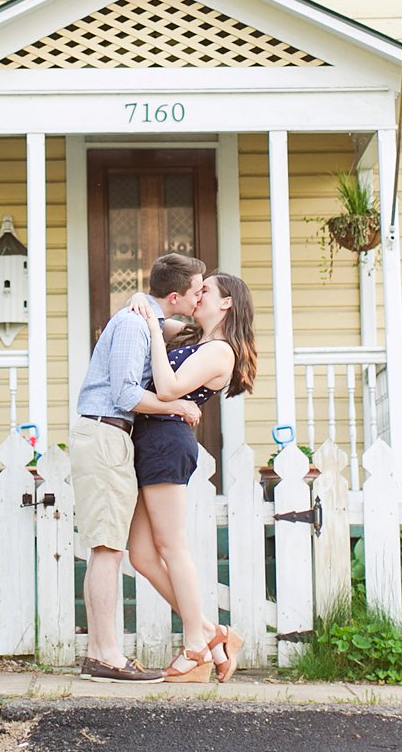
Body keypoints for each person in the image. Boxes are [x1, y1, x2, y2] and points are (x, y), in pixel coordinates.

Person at [70, 252, 208, 682]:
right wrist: (180, 404)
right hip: (106, 432)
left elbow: (180, 328)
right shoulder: (134, 323)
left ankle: (98, 653)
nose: (201, 293)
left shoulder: (145, 316)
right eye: (197, 289)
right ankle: (107, 655)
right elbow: (127, 394)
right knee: (108, 549)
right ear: (174, 295)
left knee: (105, 547)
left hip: (109, 436)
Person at [123, 271, 259, 683]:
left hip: (167, 441)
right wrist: (140, 302)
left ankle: (196, 646)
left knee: (171, 545)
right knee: (142, 555)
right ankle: (212, 632)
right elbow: (149, 304)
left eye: (206, 291)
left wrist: (150, 324)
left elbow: (167, 388)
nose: (197, 296)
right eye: (196, 290)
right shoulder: (189, 336)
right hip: (148, 439)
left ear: (227, 303)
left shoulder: (219, 351)